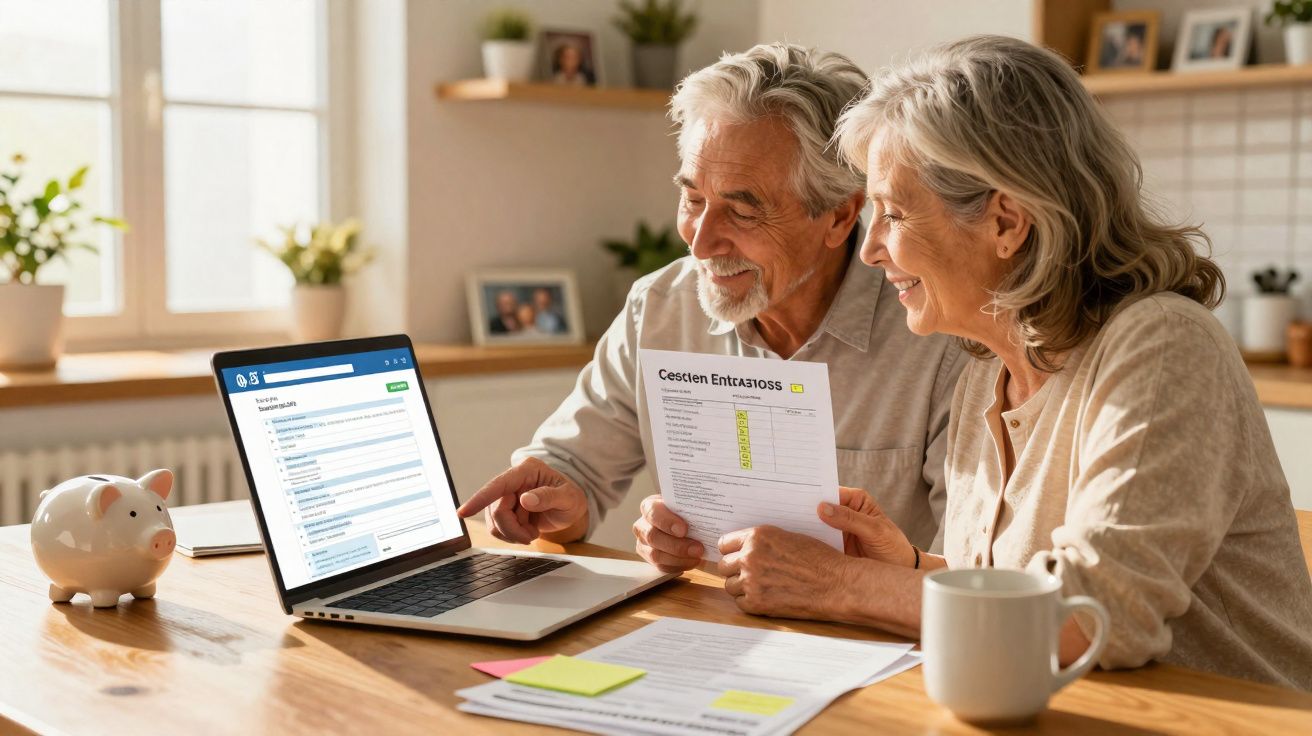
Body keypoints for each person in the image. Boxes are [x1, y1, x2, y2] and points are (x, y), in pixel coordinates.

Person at [718, 34, 1312, 690]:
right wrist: (911, 569)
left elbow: (1084, 620)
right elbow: (1020, 597)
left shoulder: (1166, 347)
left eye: (892, 214)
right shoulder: (985, 371)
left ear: (1006, 221)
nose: (870, 251)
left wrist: (837, 583)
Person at [458, 43, 966, 573]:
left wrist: (836, 580)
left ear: (840, 217)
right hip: (704, 630)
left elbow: (966, 572)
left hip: (878, 644)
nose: (700, 244)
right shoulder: (660, 307)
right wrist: (549, 503)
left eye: (743, 212)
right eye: (694, 200)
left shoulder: (938, 335)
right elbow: (573, 474)